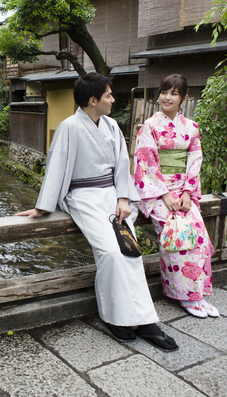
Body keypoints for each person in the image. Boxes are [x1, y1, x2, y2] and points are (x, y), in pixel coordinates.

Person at [15, 72, 178, 352]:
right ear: (93, 100)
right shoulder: (69, 127)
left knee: (131, 252)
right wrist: (44, 206)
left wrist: (124, 197)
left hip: (114, 197)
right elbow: (56, 166)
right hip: (83, 197)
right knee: (111, 253)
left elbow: (121, 162)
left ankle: (146, 321)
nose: (113, 99)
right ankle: (116, 319)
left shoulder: (112, 126)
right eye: (109, 96)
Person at [132, 74, 218, 318]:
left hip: (183, 191)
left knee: (199, 237)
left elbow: (195, 160)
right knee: (177, 236)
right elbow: (146, 163)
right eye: (164, 92)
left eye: (173, 93)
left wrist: (189, 191)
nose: (167, 97)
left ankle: (198, 294)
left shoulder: (191, 128)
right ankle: (183, 296)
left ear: (184, 98)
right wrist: (165, 194)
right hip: (157, 191)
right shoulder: (149, 126)